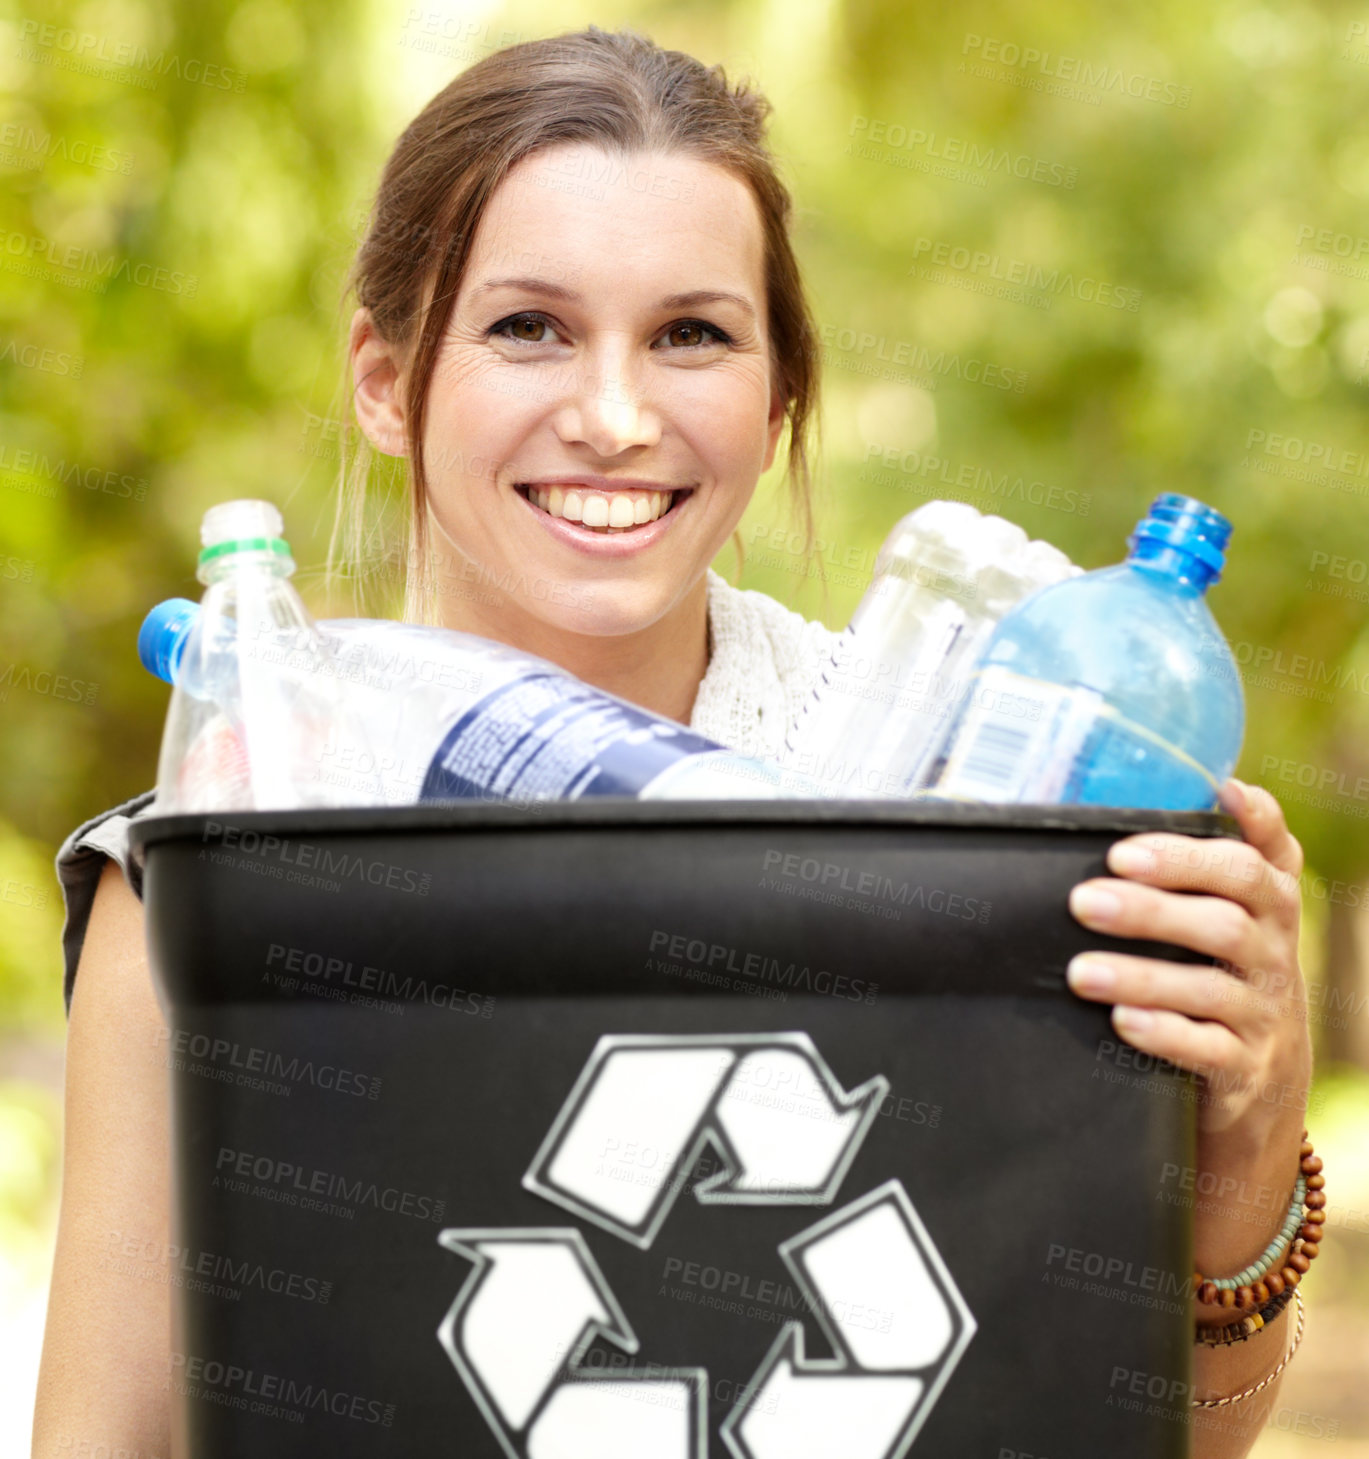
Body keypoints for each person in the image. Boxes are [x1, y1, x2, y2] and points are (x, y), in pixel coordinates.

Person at [34, 27, 1314, 1459]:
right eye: (529, 327)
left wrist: (1249, 1147)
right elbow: (110, 1439)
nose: (615, 416)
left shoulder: (976, 800)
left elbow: (1143, 1432)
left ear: (774, 404)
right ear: (387, 381)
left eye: (691, 334)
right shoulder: (240, 837)